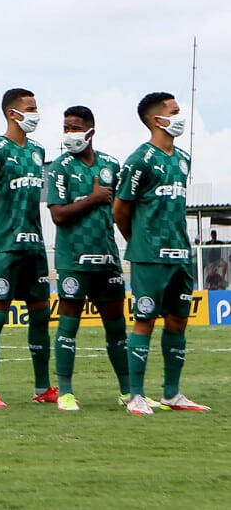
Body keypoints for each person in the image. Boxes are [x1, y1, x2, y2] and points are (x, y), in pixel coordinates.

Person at [114, 92, 211, 414]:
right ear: (157, 120)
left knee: (178, 322)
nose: (181, 115)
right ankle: (136, 397)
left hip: (180, 255)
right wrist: (141, 242)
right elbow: (120, 210)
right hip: (150, 257)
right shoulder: (139, 160)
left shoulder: (183, 158)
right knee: (144, 322)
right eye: (175, 111)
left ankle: (172, 394)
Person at [0, 88, 54, 408]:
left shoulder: (37, 151)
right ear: (12, 113)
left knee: (40, 316)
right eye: (30, 108)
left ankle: (43, 388)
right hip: (5, 250)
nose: (36, 113)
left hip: (34, 249)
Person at [46, 105, 132, 411]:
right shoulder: (59, 168)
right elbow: (57, 215)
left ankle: (128, 391)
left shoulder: (111, 165)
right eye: (66, 127)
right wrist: (93, 199)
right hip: (73, 260)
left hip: (107, 259)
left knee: (117, 327)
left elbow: (121, 208)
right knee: (69, 325)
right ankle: (66, 392)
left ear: (91, 131)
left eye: (75, 128)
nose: (70, 133)